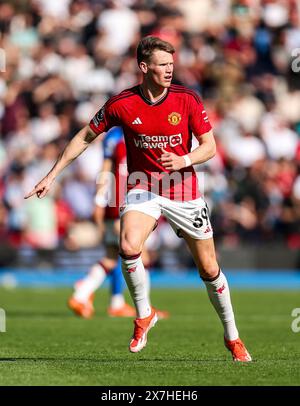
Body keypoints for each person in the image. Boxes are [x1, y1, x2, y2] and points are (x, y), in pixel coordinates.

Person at [25, 36, 251, 362]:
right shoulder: (122, 104)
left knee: (209, 268)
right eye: (162, 65)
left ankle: (232, 336)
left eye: (172, 64)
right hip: (142, 186)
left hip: (182, 189)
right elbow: (85, 136)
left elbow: (210, 147)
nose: (170, 70)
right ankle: (144, 315)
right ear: (144, 67)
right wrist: (51, 174)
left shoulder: (187, 99)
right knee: (128, 247)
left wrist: (185, 160)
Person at [68, 126, 169, 319]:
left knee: (112, 256)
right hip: (126, 203)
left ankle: (93, 295)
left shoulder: (114, 136)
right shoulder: (137, 135)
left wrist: (99, 201)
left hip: (115, 203)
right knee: (142, 256)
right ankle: (145, 309)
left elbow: (106, 170)